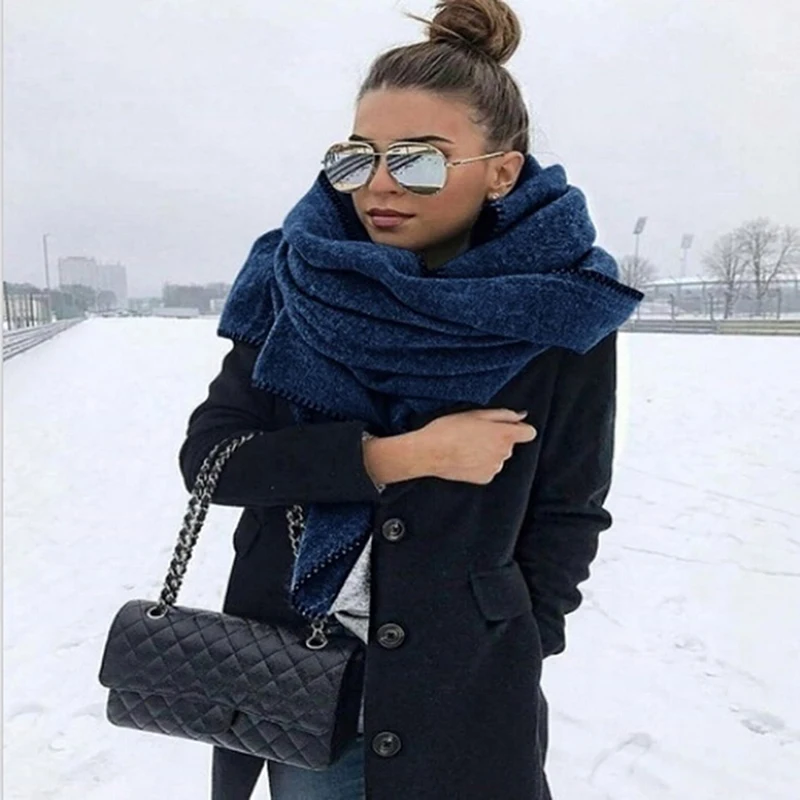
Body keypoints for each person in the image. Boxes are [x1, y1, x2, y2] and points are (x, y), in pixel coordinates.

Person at [178, 1, 643, 798]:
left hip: (464, 693)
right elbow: (212, 462)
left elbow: (569, 507)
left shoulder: (563, 308)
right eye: (357, 158)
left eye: (420, 161)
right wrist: (400, 457)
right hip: (299, 683)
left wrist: (519, 635)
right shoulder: (294, 280)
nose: (380, 185)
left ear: (502, 170)